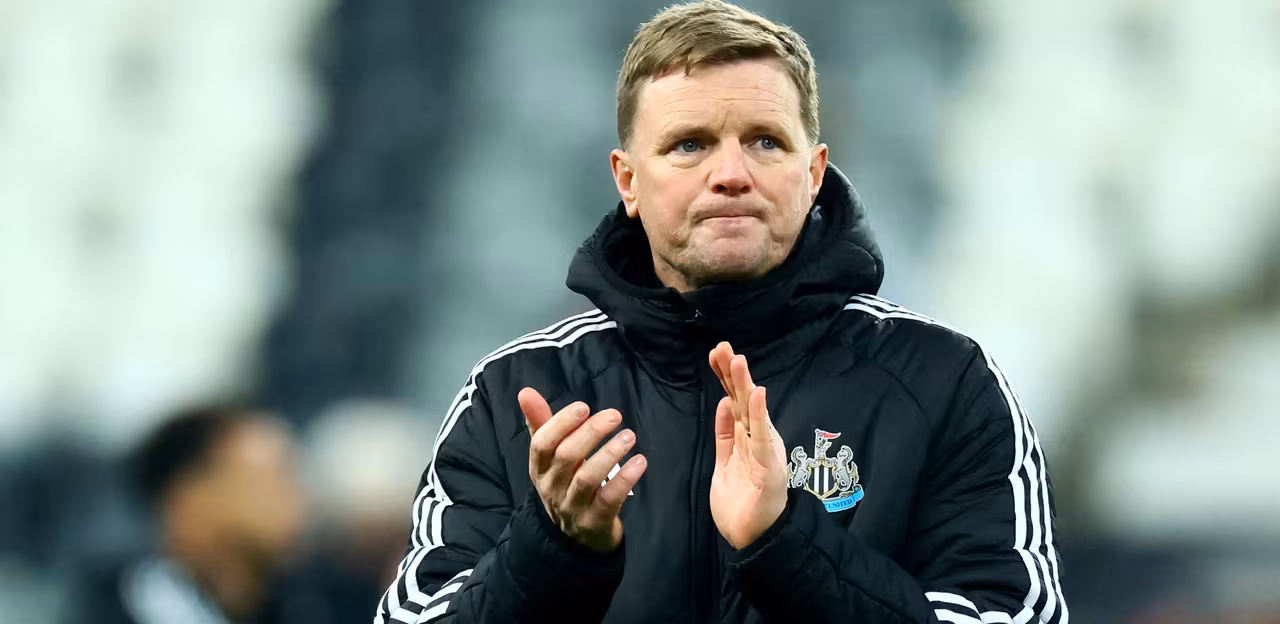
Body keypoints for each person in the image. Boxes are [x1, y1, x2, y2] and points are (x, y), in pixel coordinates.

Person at [375, 1, 1067, 622]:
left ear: (814, 173)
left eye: (766, 141)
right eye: (690, 144)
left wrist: (785, 545)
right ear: (627, 180)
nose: (731, 174)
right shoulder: (514, 395)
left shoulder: (945, 383)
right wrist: (552, 549)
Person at [68, 405, 307, 624]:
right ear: (188, 498)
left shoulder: (302, 604)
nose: (297, 497)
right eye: (276, 475)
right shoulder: (112, 611)